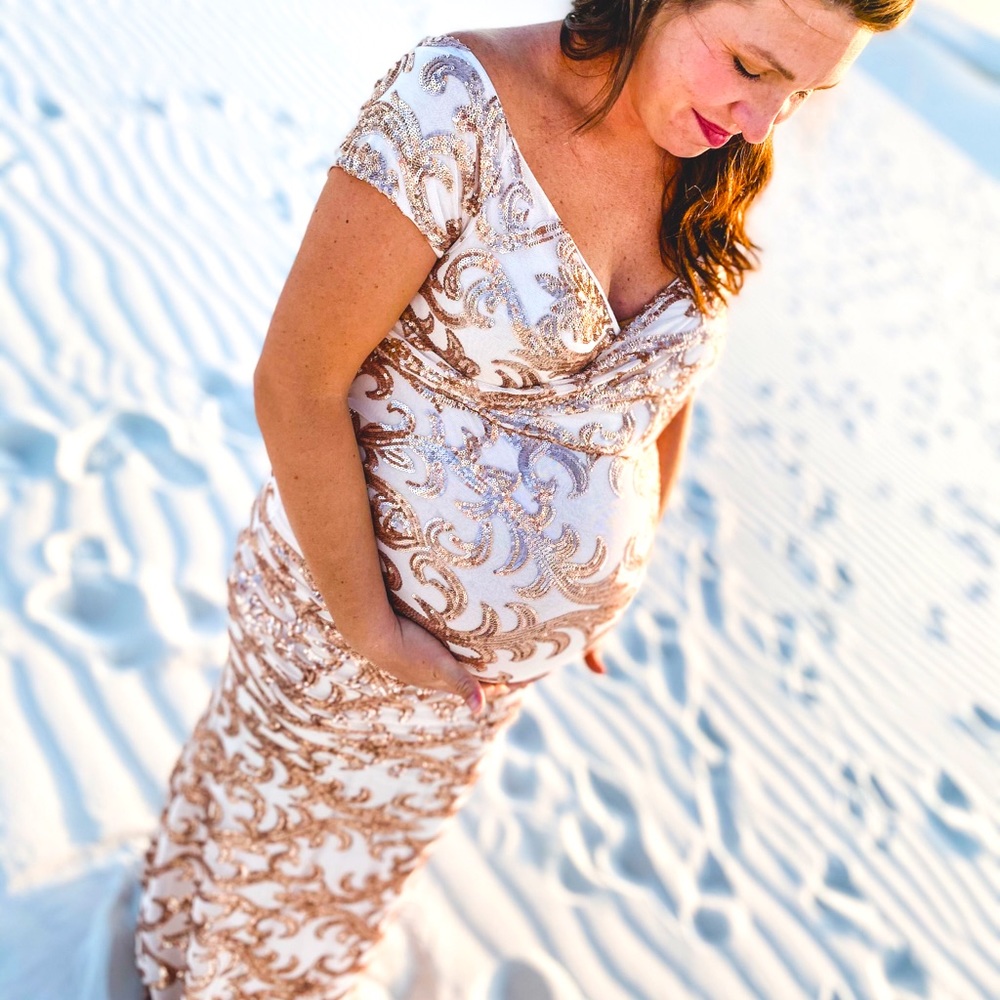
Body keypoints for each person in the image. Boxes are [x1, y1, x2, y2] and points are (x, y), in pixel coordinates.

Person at [135, 0, 914, 996]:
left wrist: (611, 571)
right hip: (340, 638)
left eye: (800, 92)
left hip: (471, 698)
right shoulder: (455, 103)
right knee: (257, 892)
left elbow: (661, 389)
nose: (762, 119)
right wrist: (374, 629)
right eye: (749, 65)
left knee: (350, 889)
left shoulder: (717, 155)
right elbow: (295, 381)